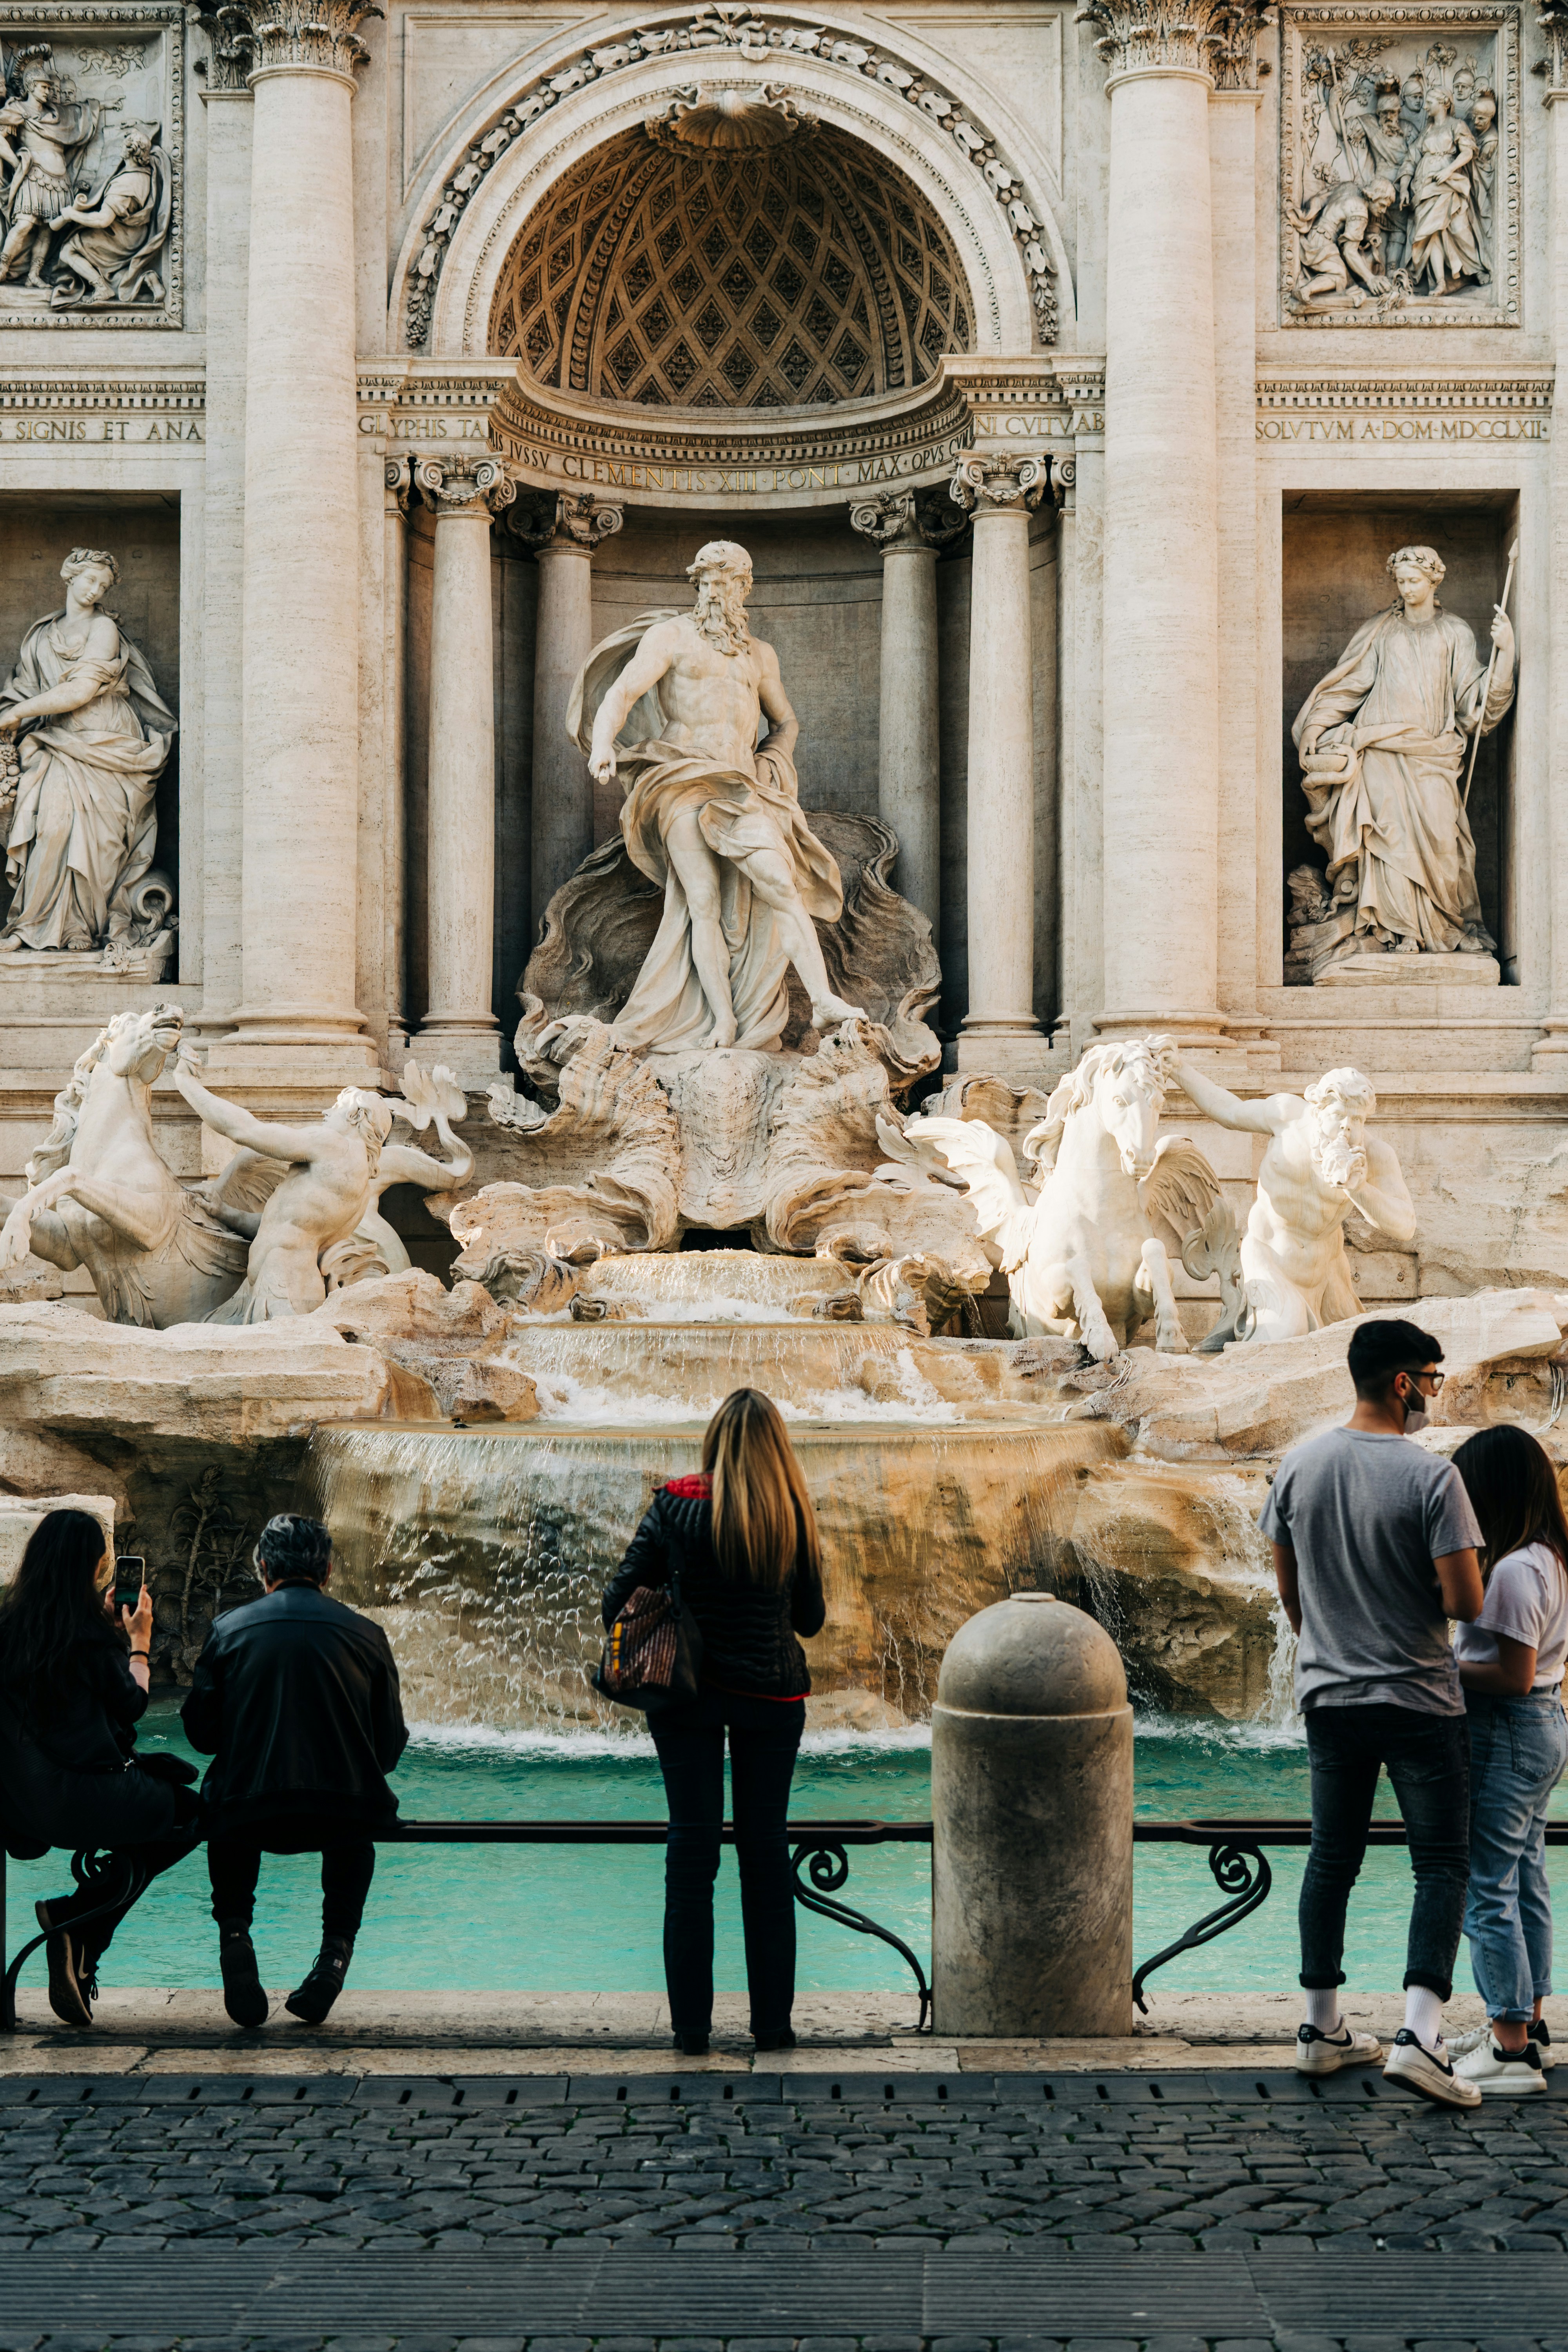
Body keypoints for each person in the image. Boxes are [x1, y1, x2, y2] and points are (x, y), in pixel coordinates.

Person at [1261, 1317, 1486, 2105]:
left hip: (1330, 1696)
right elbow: (1465, 1599)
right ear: (1400, 1382)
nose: (1432, 1391)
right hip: (1419, 1697)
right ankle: (1419, 2037)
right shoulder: (1432, 1479)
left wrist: (1332, 1643)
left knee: (1331, 1860)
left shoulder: (1299, 1464)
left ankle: (1319, 2028)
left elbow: (1290, 1592)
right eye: (1430, 1377)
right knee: (1440, 1863)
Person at [602, 1388, 826, 2054]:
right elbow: (809, 1619)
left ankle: (691, 2031)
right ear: (777, 1449)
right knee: (764, 1855)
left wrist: (680, 1593)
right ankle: (773, 2027)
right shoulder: (793, 1512)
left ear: (714, 1442)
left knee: (691, 1854)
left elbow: (617, 1599)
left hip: (687, 1697)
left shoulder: (674, 1505)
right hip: (772, 1699)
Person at [182, 1513, 407, 2029]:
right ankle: (334, 1956)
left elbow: (202, 1736)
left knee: (226, 1809)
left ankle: (235, 1932)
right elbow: (388, 1750)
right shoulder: (368, 1635)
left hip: (251, 1813)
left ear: (263, 1568)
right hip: (342, 1814)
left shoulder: (229, 1631)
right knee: (357, 1826)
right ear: (327, 1571)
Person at [0, 1509, 200, 2027]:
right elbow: (131, 1705)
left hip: (22, 1806)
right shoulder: (87, 1634)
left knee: (156, 1813)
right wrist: (137, 1641)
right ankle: (80, 1922)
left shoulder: (9, 1626)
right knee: (189, 1814)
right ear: (92, 1567)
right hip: (87, 1798)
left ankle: (82, 1940)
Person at [1445, 1426, 1568, 2092]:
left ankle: (1511, 2046)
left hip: (1513, 1728)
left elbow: (1512, 1677)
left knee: (1488, 1887)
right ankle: (1528, 2029)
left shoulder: (1516, 1570)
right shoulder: (1549, 1556)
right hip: (1544, 1727)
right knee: (1526, 1882)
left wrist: (1441, 1668)